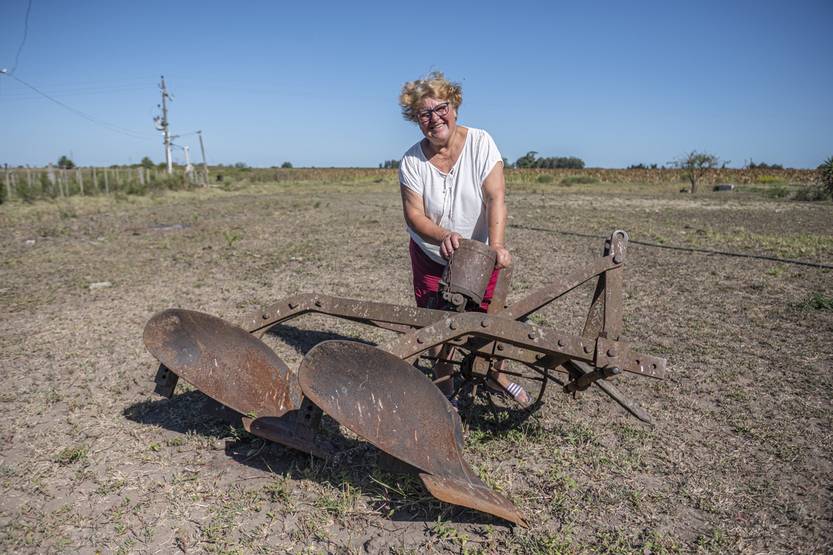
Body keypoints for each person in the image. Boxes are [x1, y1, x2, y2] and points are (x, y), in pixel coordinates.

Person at [397, 71, 530, 406]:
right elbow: (414, 215)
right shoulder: (412, 162)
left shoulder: (481, 143)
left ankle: (494, 376)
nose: (434, 118)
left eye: (440, 108)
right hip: (432, 255)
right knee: (436, 321)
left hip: (480, 254)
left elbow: (495, 197)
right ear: (415, 119)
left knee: (489, 318)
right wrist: (443, 235)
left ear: (454, 106)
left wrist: (496, 245)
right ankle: (443, 391)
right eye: (423, 114)